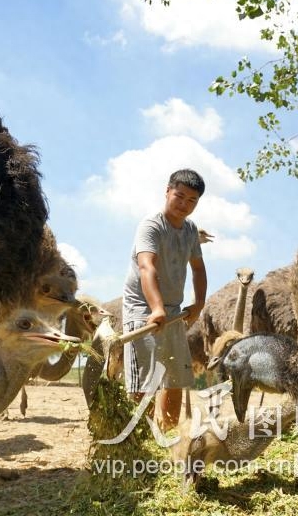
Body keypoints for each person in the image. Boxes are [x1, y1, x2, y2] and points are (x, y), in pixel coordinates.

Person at [122, 168, 207, 431]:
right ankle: (140, 439)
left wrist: (199, 303)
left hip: (173, 312)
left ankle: (168, 436)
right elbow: (147, 266)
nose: (184, 205)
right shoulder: (151, 226)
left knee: (174, 380)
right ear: (167, 191)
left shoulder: (191, 230)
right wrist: (157, 308)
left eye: (191, 201)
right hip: (144, 310)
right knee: (144, 385)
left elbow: (198, 269)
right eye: (179, 196)